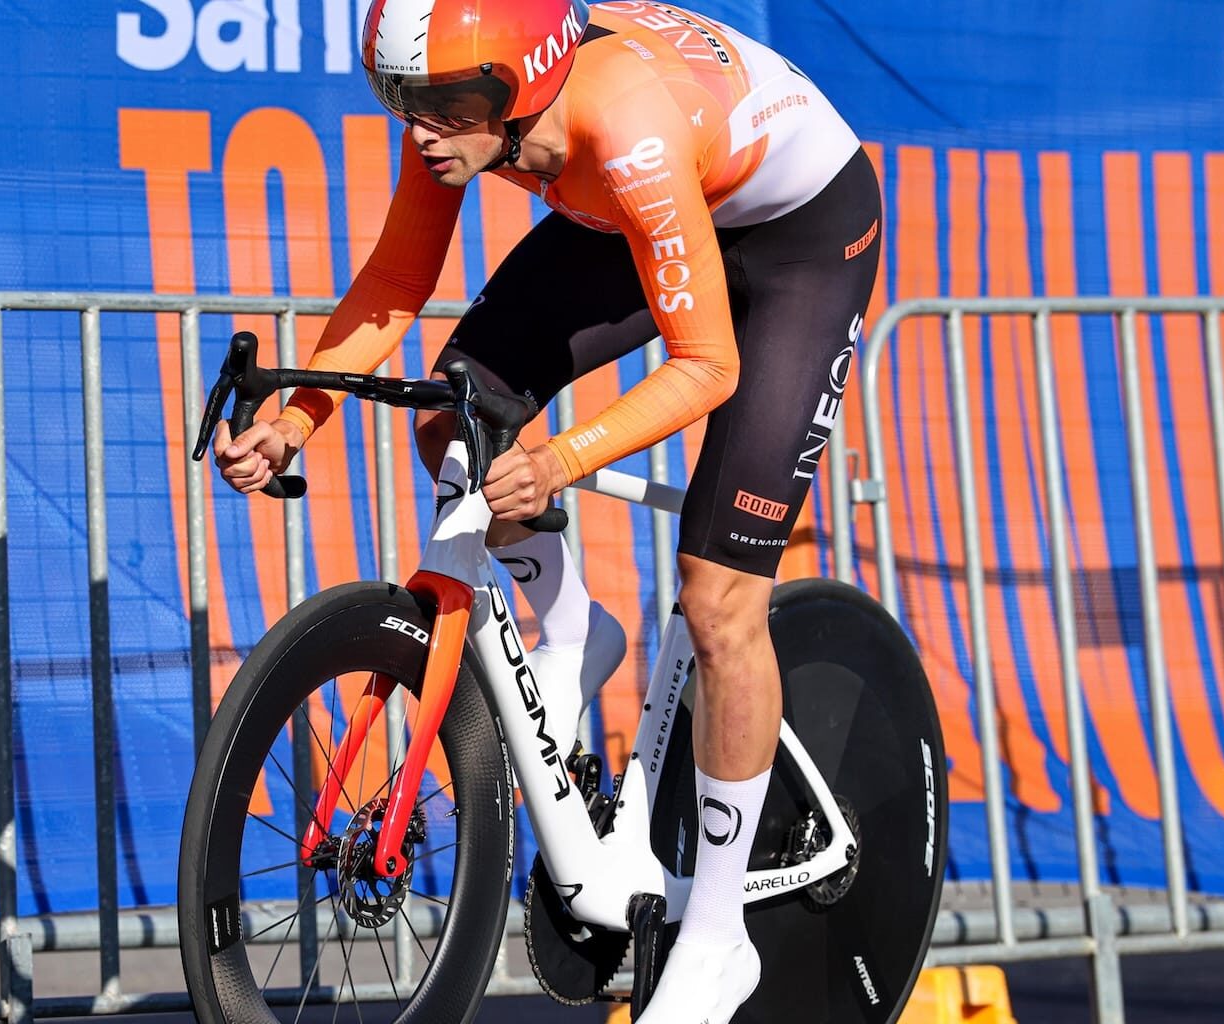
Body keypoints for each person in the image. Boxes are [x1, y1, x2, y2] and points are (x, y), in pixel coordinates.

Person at [213, 0, 879, 1019]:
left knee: (719, 602)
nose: (422, 128)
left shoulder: (625, 124)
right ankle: (575, 628)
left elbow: (707, 366)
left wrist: (560, 461)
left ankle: (717, 938)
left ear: (520, 84)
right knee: (457, 416)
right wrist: (297, 418)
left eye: (443, 105)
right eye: (402, 102)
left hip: (795, 237)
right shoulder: (475, 113)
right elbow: (396, 279)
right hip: (631, 211)